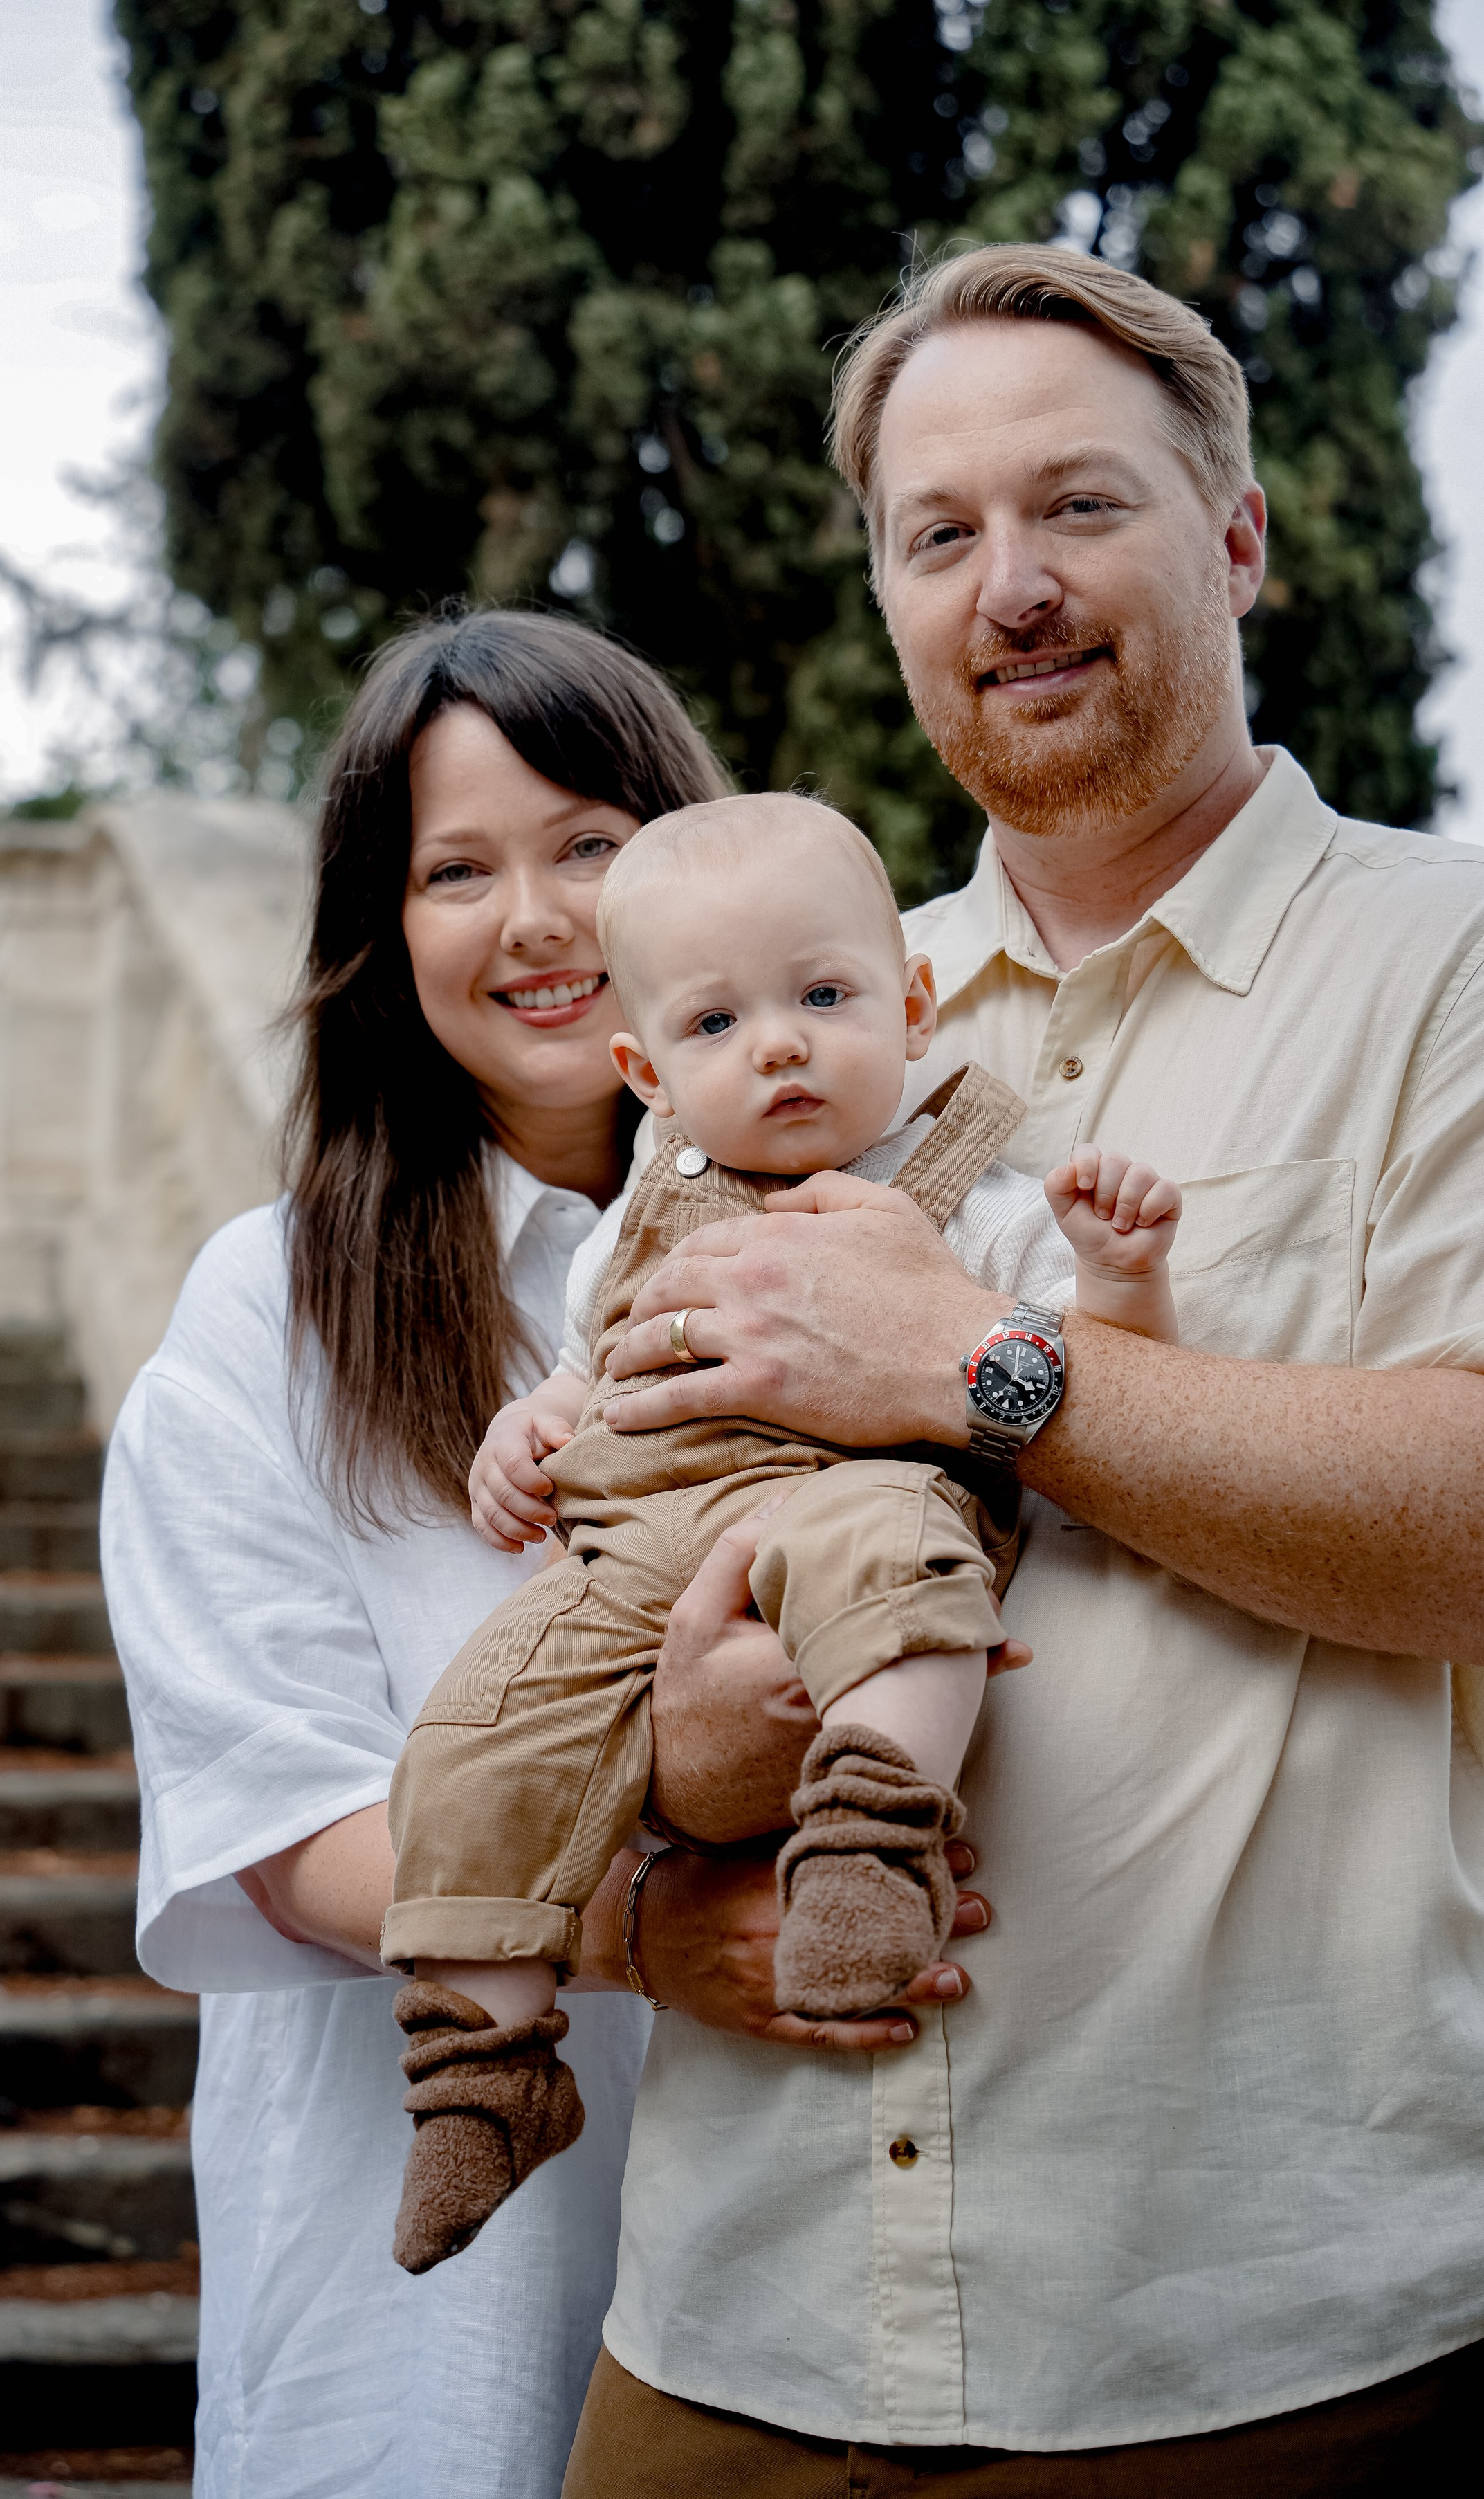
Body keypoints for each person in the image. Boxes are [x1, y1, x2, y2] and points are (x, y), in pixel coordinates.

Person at [559, 244, 1484, 2491]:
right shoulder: (769, 1009)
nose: (1014, 588)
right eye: (938, 532)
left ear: (1239, 535)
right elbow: (604, 1534)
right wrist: (668, 1785)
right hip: (731, 2320)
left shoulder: (1447, 960)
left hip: (1246, 2338)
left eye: (1080, 506)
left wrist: (982, 1359)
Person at [100, 608, 740, 2499]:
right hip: (431, 2273)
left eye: (588, 843)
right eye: (456, 870)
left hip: (796, 2227)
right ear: (384, 935)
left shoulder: (838, 1255)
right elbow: (284, 1825)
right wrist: (667, 1941)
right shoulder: (274, 1313)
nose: (534, 918)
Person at [380, 790, 1182, 2274]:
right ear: (645, 1072)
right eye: (714, 1023)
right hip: (635, 1539)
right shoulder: (646, 1194)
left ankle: (871, 1845)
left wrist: (1111, 1274)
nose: (779, 1044)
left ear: (911, 1000)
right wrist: (528, 1429)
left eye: (822, 996)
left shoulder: (968, 1189)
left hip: (851, 1489)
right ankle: (480, 2071)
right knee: (479, 1726)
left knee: (903, 1580)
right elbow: (585, 1361)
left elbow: (1069, 1385)